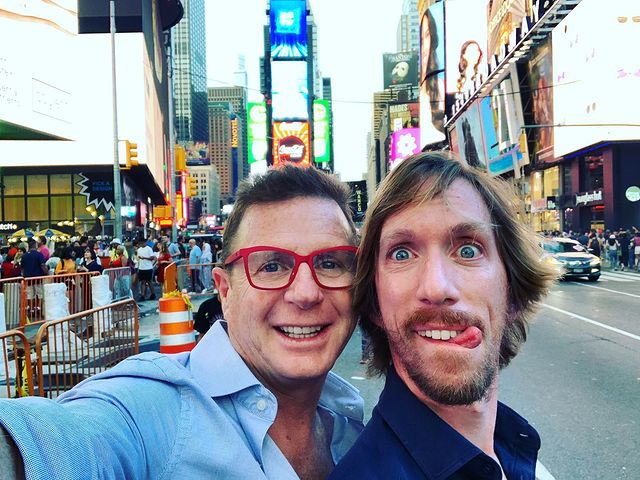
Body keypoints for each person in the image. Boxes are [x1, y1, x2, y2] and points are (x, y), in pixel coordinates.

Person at [0, 165, 363, 478]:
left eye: (330, 263)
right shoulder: (153, 410)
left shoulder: (353, 426)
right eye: (270, 266)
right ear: (224, 290)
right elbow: (62, 442)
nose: (305, 293)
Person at [330, 153, 557, 480]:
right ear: (375, 305)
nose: (437, 287)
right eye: (402, 253)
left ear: (513, 295)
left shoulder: (518, 456)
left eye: (468, 250)